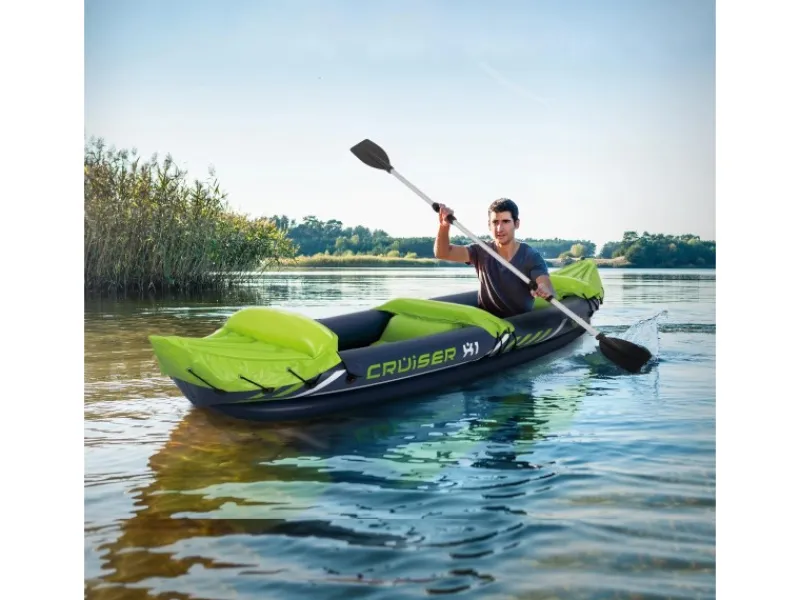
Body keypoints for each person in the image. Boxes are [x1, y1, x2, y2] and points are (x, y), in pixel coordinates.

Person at [433, 198, 556, 318]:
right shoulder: (481, 250)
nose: (499, 229)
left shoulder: (530, 255)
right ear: (489, 225)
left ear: (516, 224)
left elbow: (545, 283)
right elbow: (443, 253)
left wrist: (544, 289)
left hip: (519, 323)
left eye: (506, 221)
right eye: (495, 222)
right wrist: (444, 225)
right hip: (488, 323)